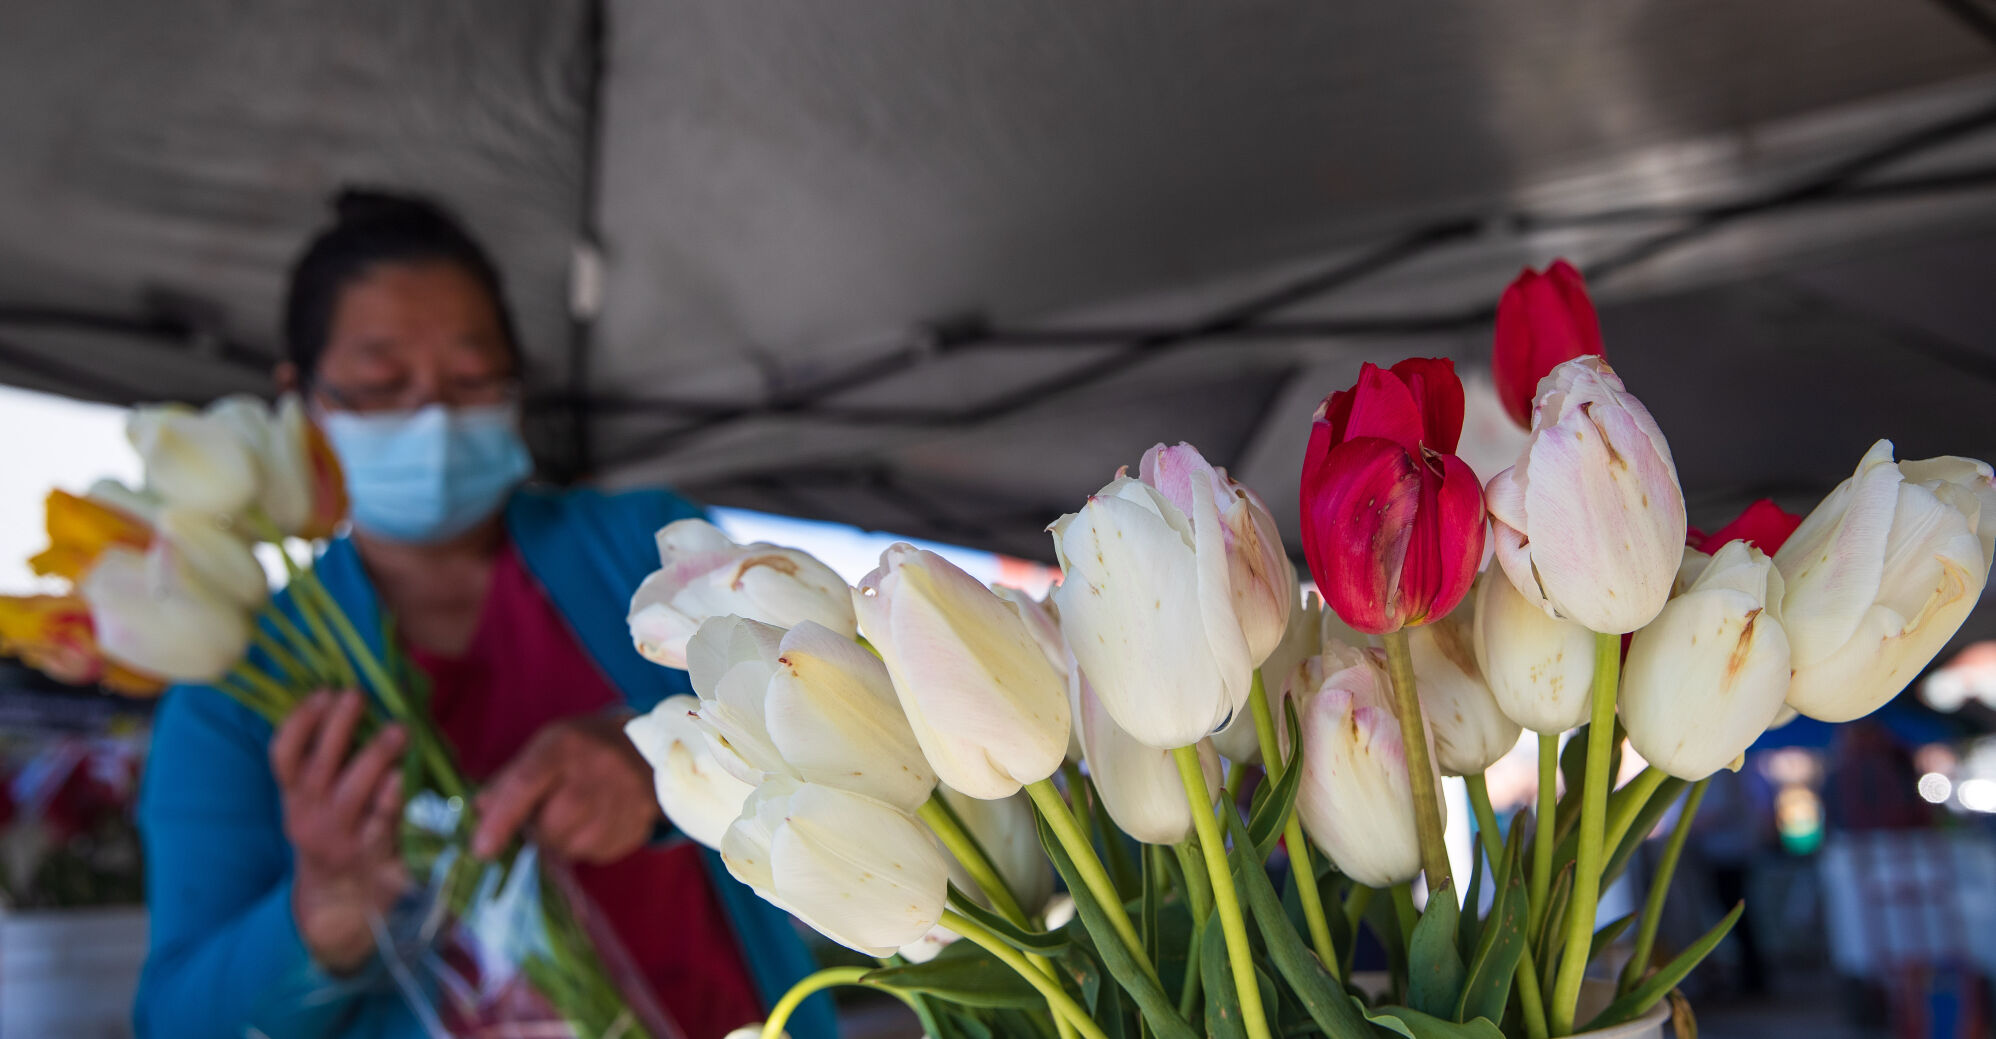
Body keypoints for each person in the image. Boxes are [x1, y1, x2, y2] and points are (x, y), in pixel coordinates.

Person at [133, 191, 834, 1039]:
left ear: (516, 386)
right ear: (302, 400)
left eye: (469, 381)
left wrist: (659, 758)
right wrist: (321, 915)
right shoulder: (241, 681)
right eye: (382, 383)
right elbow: (175, 1019)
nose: (431, 416)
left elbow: (820, 728)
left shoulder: (646, 547)